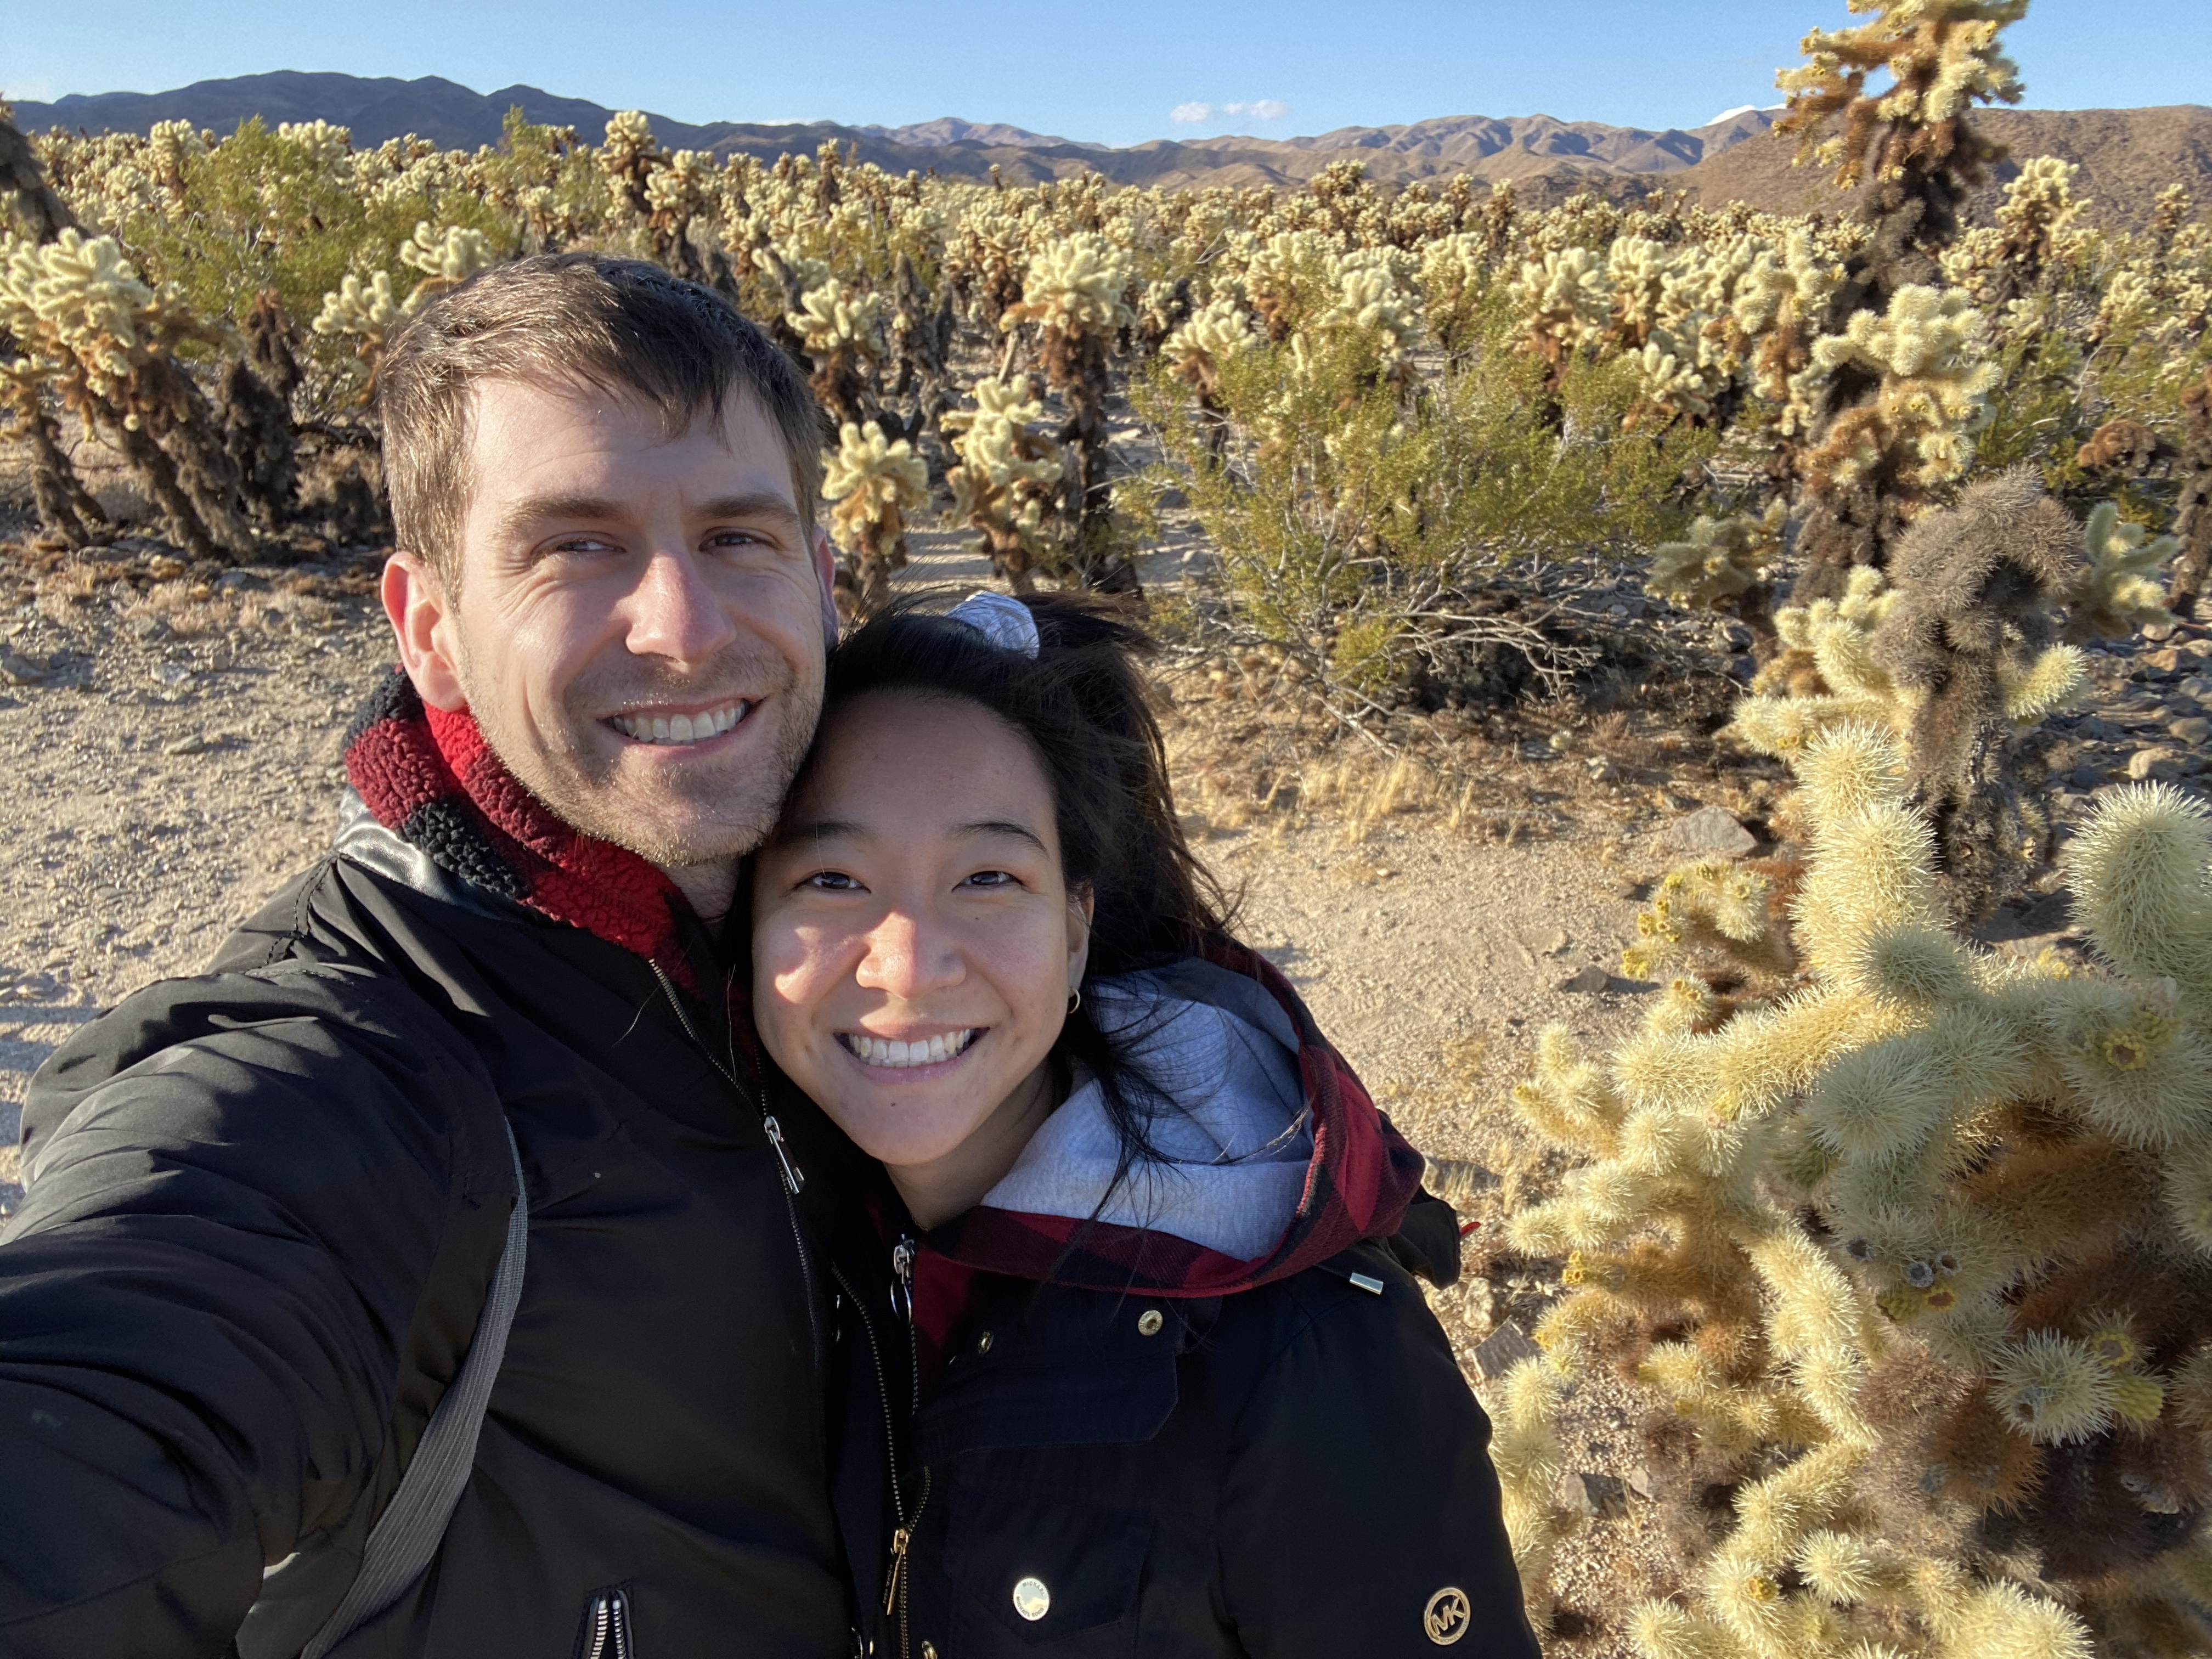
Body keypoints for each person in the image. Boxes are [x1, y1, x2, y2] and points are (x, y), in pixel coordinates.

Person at [0, 255, 889, 1657]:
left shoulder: (901, 908)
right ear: (430, 630)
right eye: (575, 545)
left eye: (738, 536)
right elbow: (117, 1397)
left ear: (825, 576)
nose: (686, 627)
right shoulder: (355, 1070)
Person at [751, 593, 1540, 1659]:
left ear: (1076, 928)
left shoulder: (1294, 1343)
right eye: (833, 878)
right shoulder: (772, 1248)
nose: (908, 963)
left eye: (988, 878)